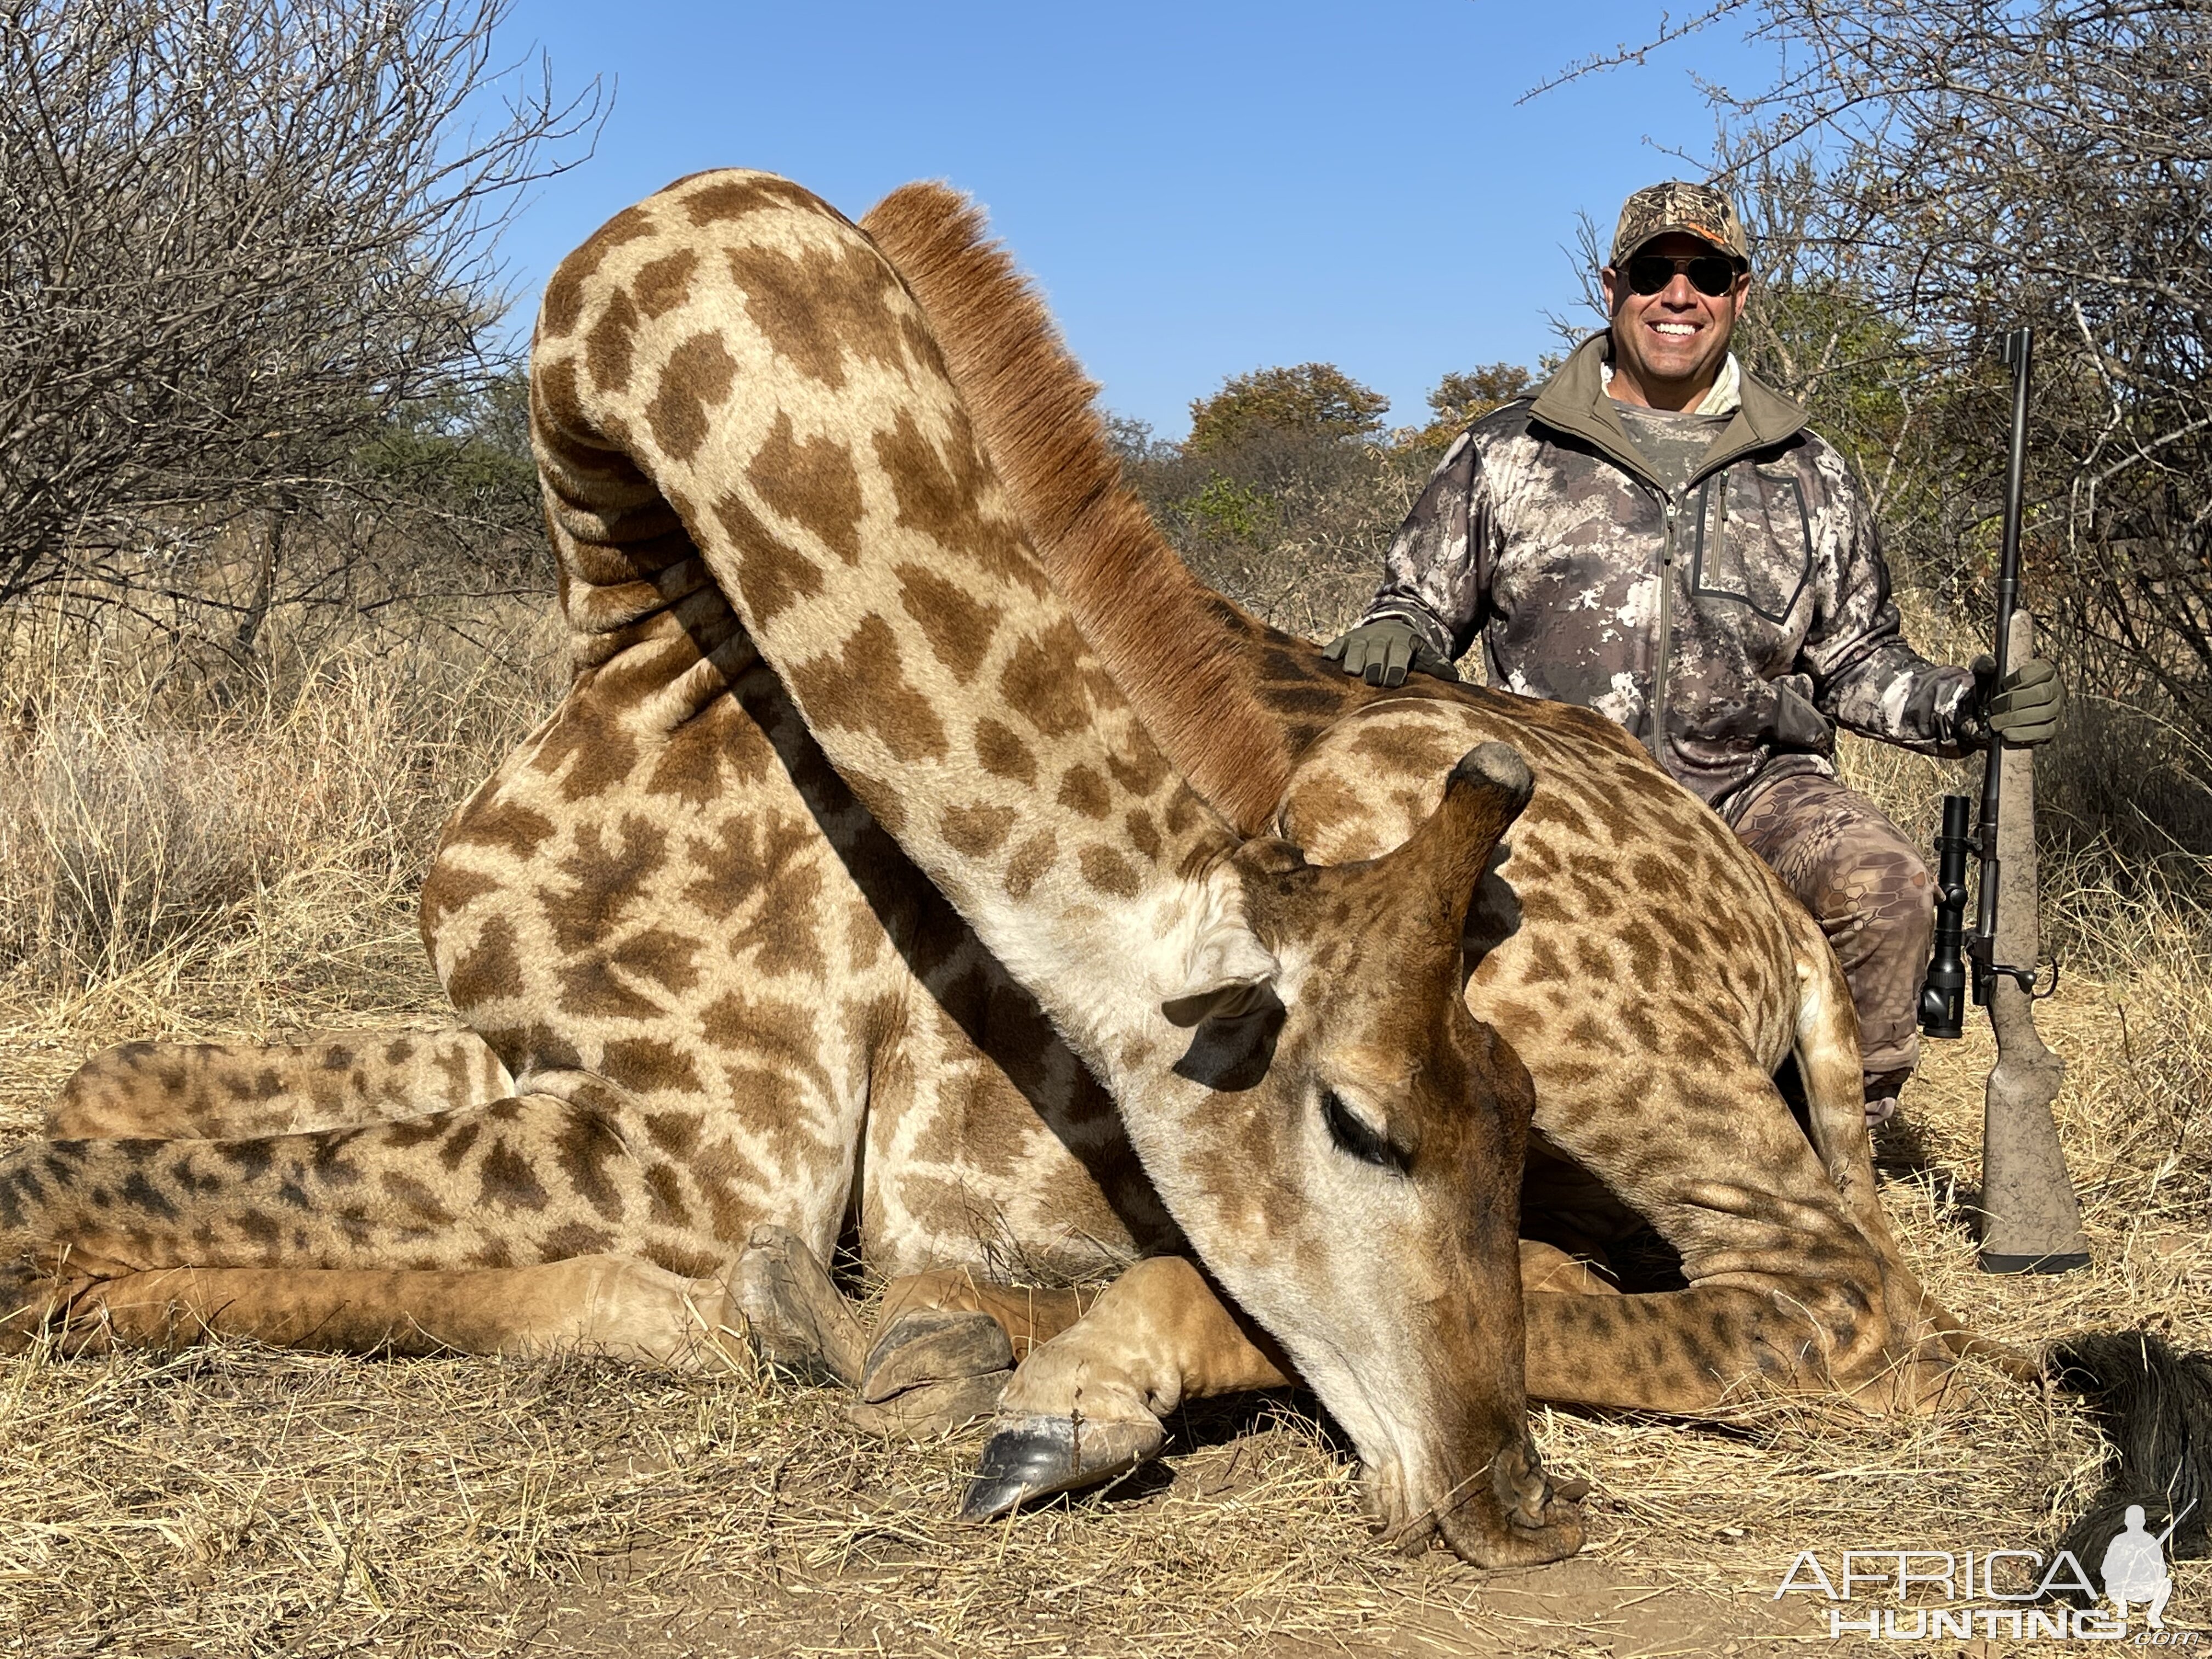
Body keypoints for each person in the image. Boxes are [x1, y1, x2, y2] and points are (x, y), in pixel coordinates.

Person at [1323, 180, 2063, 1127]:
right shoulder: (1503, 451)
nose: (1680, 295)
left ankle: (1830, 1147)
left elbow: (1859, 661)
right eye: (1655, 272)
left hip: (1753, 790)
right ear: (1613, 286)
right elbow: (1419, 608)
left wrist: (1967, 707)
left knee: (1890, 890)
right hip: (1566, 793)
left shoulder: (1809, 471)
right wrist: (1396, 634)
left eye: (1705, 273)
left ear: (1739, 294)